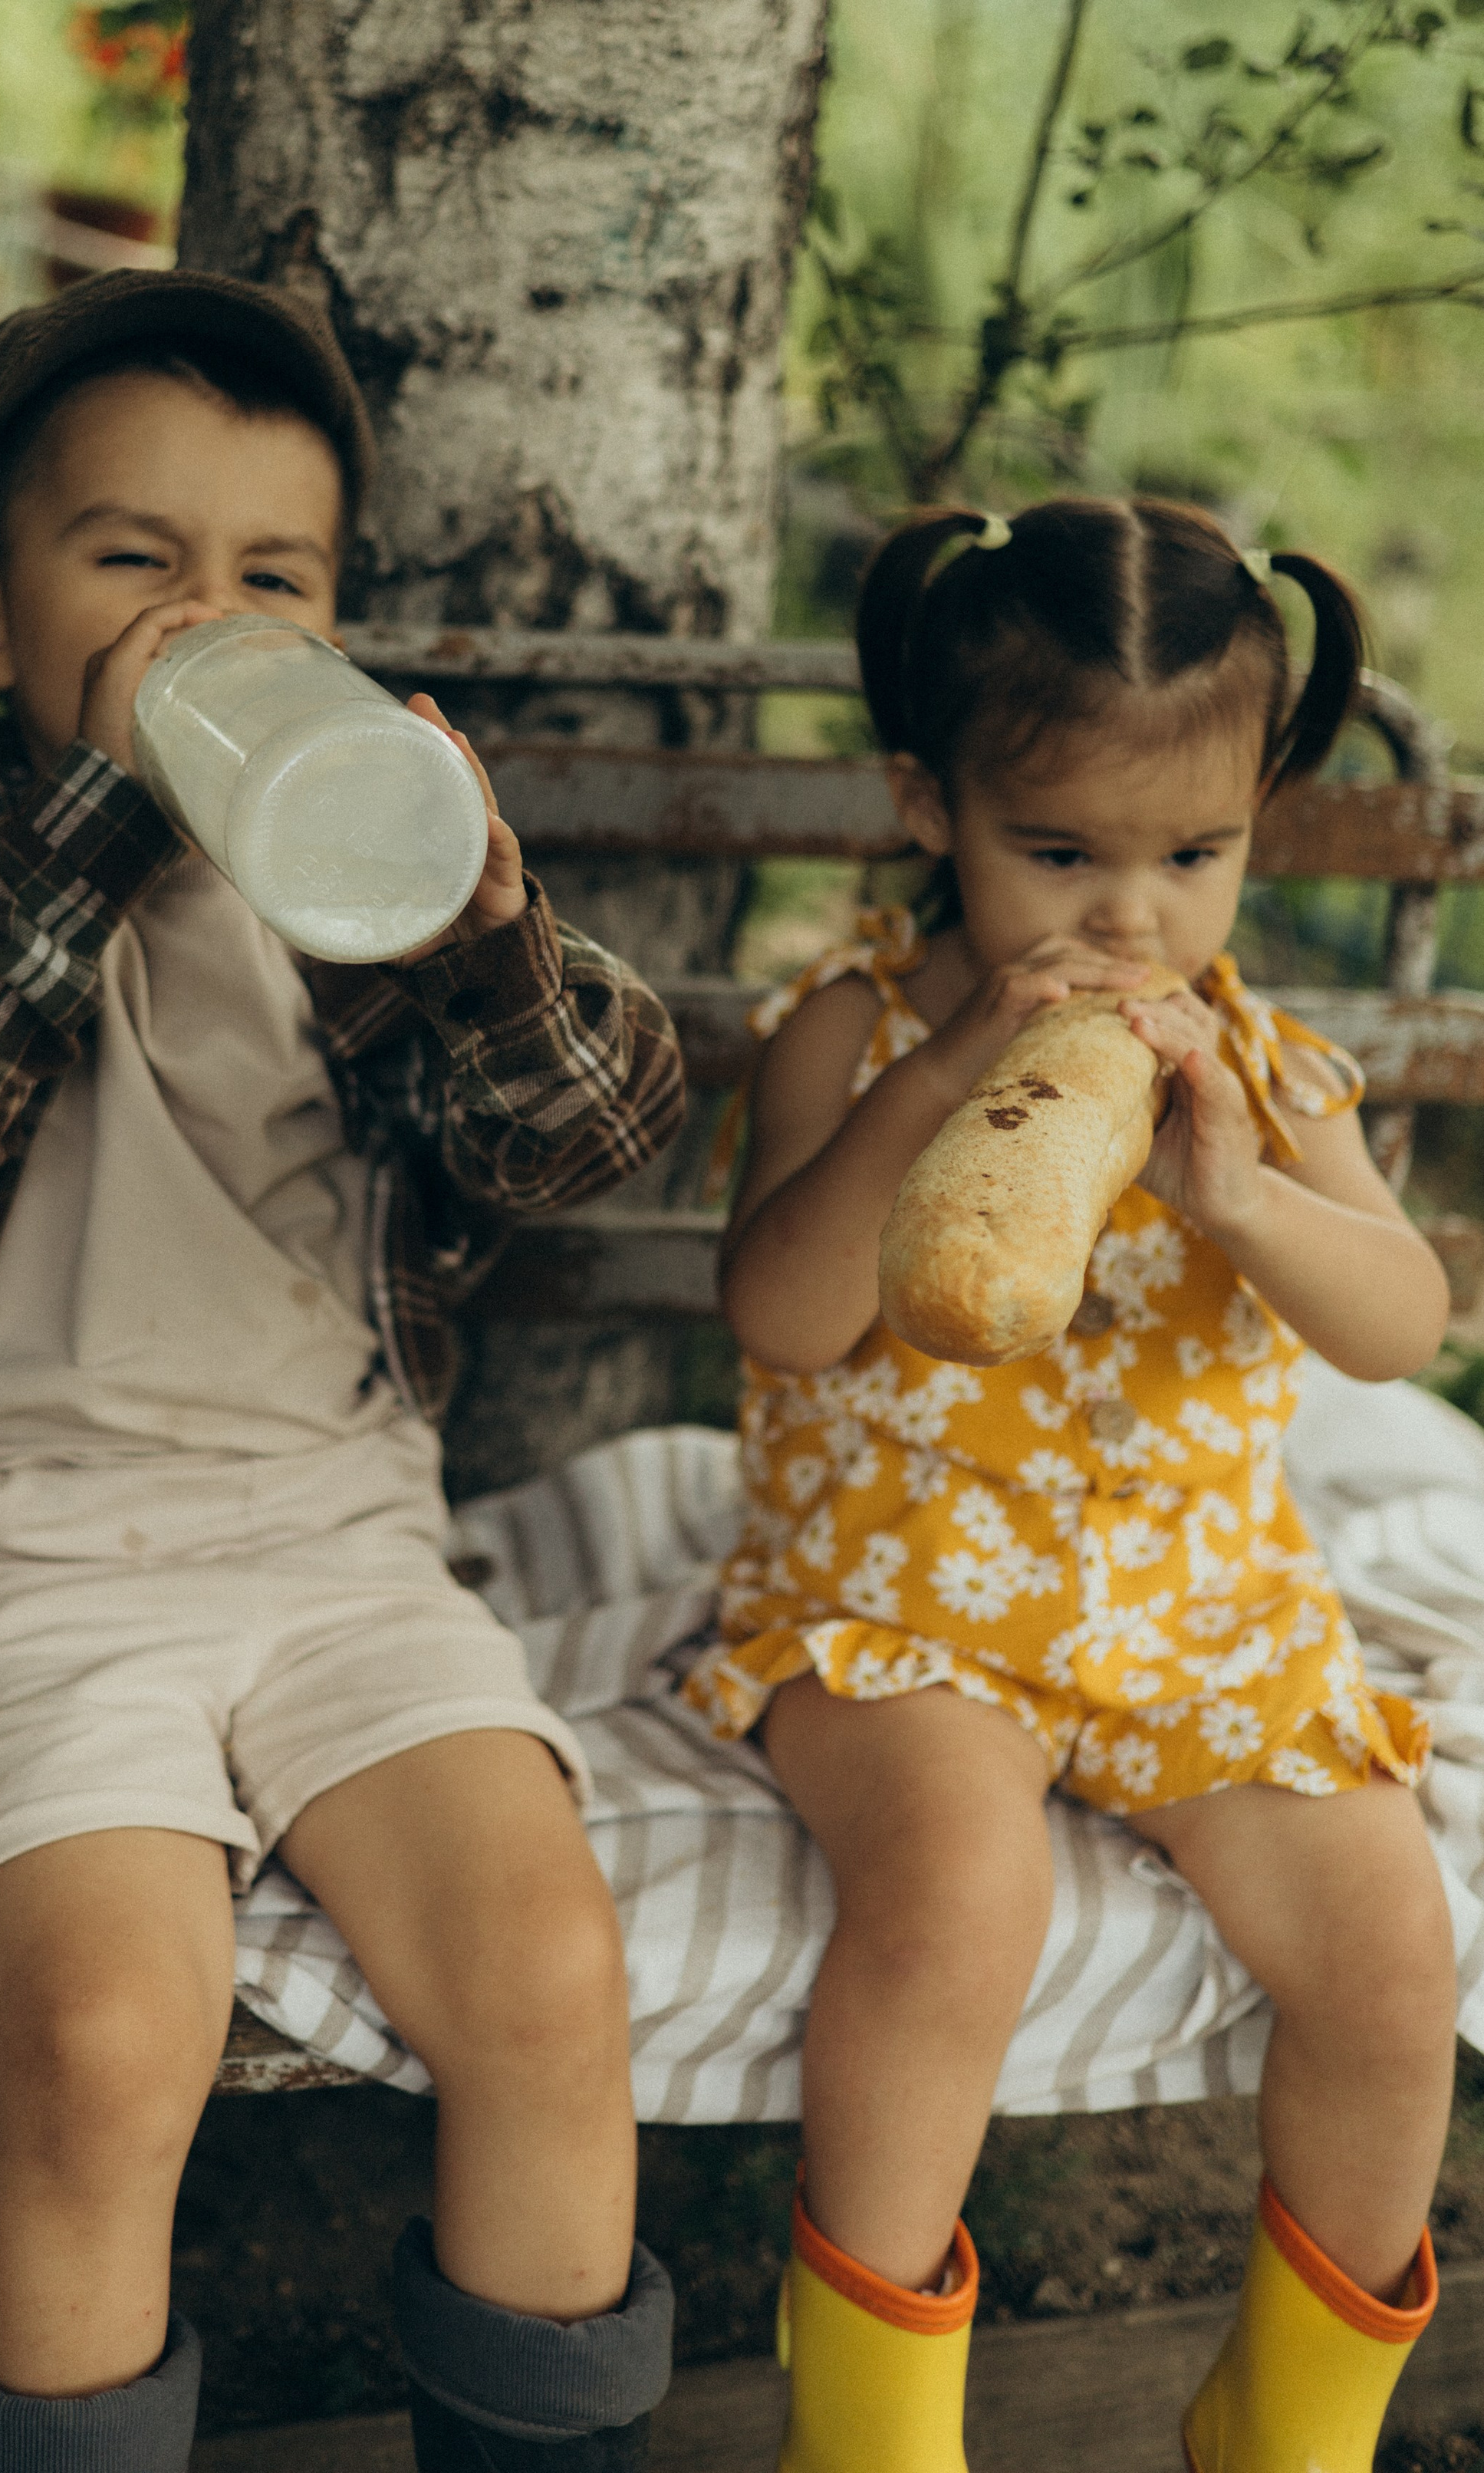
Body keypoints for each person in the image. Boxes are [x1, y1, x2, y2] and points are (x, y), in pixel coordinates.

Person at [0, 269, 686, 2473]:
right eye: (132, 563)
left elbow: (592, 1136)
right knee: (113, 2042)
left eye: (271, 580)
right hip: (21, 1560)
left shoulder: (371, 898)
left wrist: (490, 933)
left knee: (544, 1983)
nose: (204, 618)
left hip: (334, 1543)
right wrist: (105, 808)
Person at [679, 497, 1458, 2473]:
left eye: (1192, 857)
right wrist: (944, 1080)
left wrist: (1249, 1198)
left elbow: (1401, 1326)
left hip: (1193, 1606)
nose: (1130, 922)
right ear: (927, 807)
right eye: (1063, 856)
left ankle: (1288, 2428)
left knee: (1390, 1951)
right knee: (957, 1902)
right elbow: (778, 1315)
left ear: (1257, 823)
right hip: (906, 1597)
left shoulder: (1262, 1071)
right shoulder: (852, 1024)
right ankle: (868, 2438)